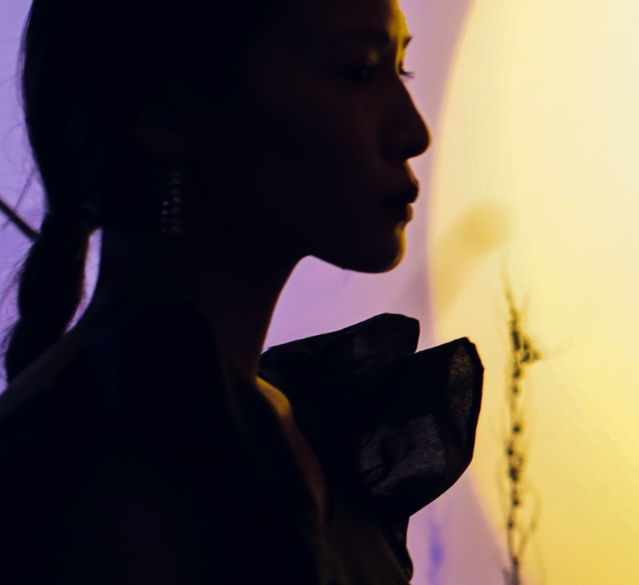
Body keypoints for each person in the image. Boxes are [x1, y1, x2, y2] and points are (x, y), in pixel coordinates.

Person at [0, 0, 480, 582]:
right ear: (168, 116)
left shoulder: (300, 420)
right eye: (357, 71)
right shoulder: (93, 465)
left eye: (400, 69)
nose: (414, 132)